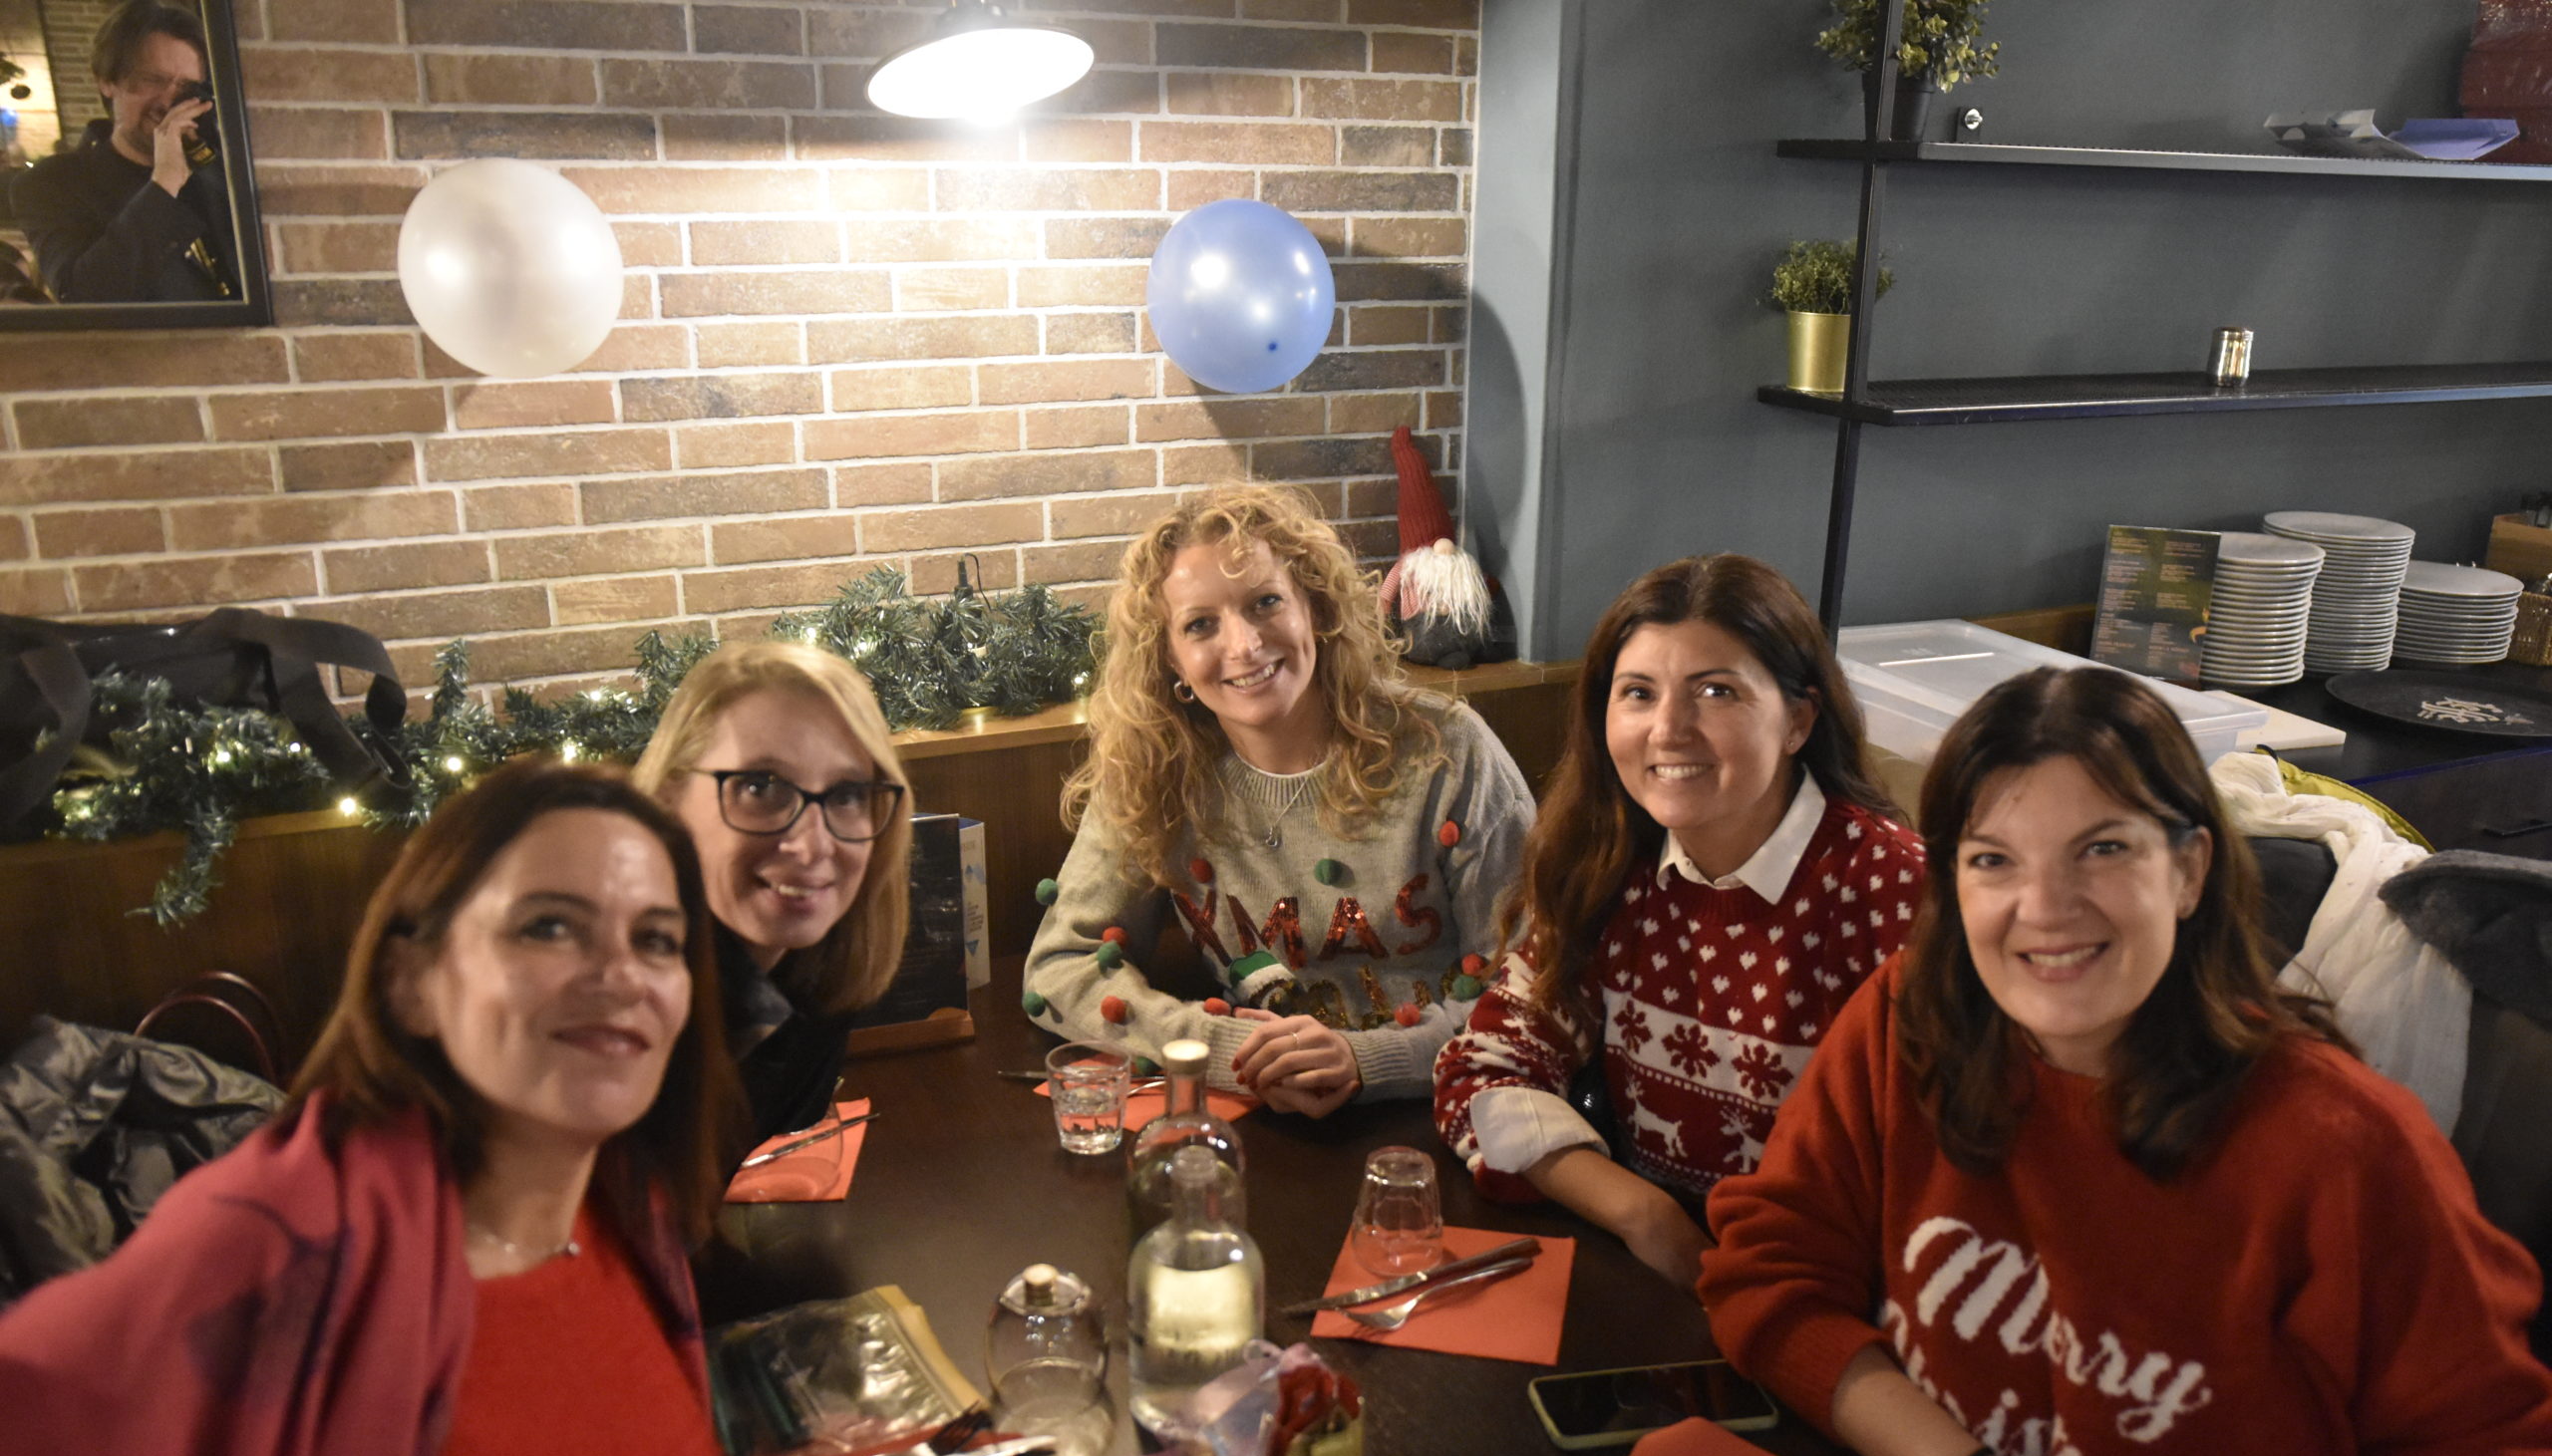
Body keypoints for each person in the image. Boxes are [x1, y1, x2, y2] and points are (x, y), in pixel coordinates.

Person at [1700, 667, 2552, 1456]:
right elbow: (1771, 1276)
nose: (2044, 908)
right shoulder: (1906, 1021)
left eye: (2101, 849)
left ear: (2188, 871)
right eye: (1992, 859)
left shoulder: (2345, 1150)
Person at [0, 759, 747, 1456]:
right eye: (549, 925)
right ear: (411, 982)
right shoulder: (273, 1249)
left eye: (657, 939)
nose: (620, 974)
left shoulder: (632, 1220)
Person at [1434, 554, 1921, 1290]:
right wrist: (1644, 1214)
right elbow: (1482, 1069)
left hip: (1842, 1297)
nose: (1668, 729)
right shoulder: (1608, 861)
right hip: (1663, 1282)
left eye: (1716, 691)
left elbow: (1946, 1175)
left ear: (1798, 720)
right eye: (1638, 693)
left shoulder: (1896, 890)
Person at [1025, 482, 1532, 1117]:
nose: (1243, 646)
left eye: (1266, 602)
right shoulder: (1154, 769)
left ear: (1314, 608)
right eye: (1201, 625)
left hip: (1453, 1108)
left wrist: (1371, 1059)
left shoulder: (1448, 750)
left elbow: (1535, 984)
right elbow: (1060, 967)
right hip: (1256, 1117)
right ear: (1171, 660)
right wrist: (1221, 1050)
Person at [634, 641, 912, 1146]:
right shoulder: (621, 1002)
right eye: (760, 788)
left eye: (847, 794)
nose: (812, 846)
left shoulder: (820, 970)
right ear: (669, 799)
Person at [14, 1, 240, 304]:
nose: (167, 102)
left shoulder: (216, 171)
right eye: (152, 80)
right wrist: (165, 183)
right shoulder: (51, 184)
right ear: (107, 81)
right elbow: (84, 297)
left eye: (186, 87)